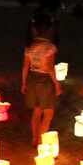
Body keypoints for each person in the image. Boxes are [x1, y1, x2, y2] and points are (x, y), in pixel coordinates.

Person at [21, 12, 60, 145]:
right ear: (49, 30)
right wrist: (57, 85)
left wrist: (24, 83)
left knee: (36, 111)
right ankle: (42, 141)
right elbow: (50, 67)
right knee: (48, 113)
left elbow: (25, 67)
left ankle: (34, 138)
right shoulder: (50, 47)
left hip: (32, 79)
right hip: (45, 81)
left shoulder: (30, 46)